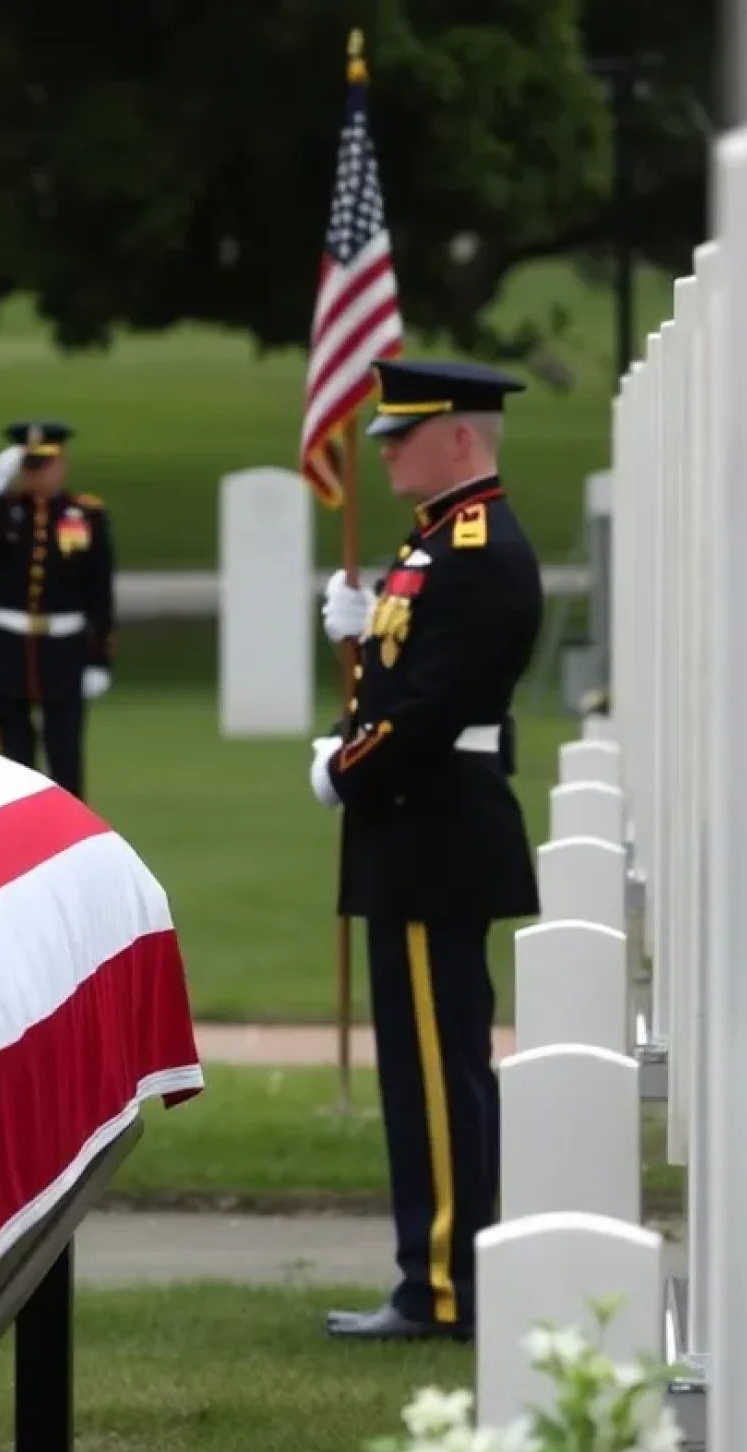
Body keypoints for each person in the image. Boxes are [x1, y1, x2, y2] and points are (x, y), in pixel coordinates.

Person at [308, 358, 544, 1343]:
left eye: (405, 433)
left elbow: (435, 705)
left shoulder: (476, 549)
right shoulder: (442, 540)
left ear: (461, 436)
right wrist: (373, 629)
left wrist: (344, 766)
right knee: (425, 1066)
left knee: (438, 1074)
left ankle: (443, 1289)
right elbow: (418, 669)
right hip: (421, 823)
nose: (388, 449)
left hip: (429, 823)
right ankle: (437, 1275)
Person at [0, 420, 115, 801]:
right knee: (13, 758)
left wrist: (99, 657)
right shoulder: (1, 511)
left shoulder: (85, 515)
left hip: (63, 648)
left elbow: (100, 590)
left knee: (65, 752)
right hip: (8, 647)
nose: (38, 474)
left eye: (44, 465)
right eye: (29, 466)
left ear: (61, 463)